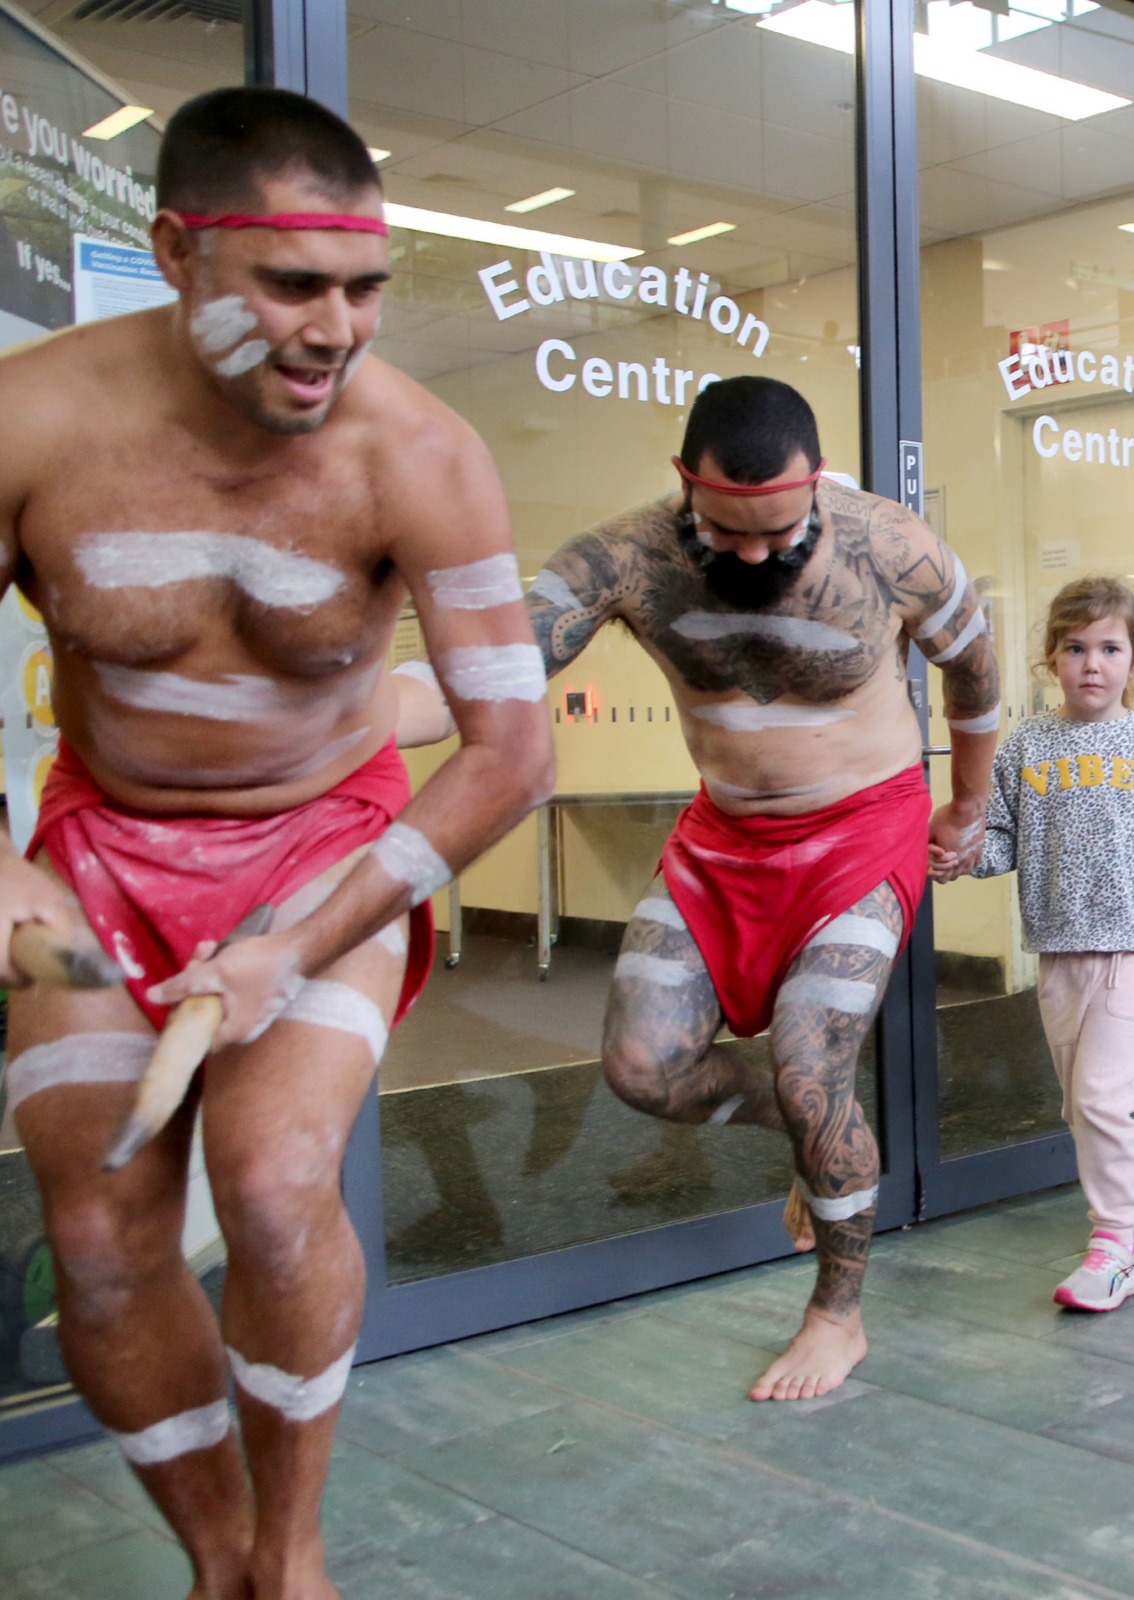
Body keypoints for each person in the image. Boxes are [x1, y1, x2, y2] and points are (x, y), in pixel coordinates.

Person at [0, 87, 553, 1600]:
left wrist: (286, 950)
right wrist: (16, 902)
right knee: (103, 1238)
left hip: (331, 851)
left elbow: (512, 750)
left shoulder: (420, 455)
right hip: (91, 860)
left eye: (366, 287)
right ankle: (220, 1560)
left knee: (267, 1181)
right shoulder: (27, 419)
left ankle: (294, 1552)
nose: (336, 330)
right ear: (179, 252)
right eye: (292, 286)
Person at [524, 374, 998, 1399]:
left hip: (860, 834)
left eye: (775, 531)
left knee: (810, 1066)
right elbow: (491, 670)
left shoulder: (892, 547)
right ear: (683, 484)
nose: (750, 553)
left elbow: (976, 674)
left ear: (815, 486)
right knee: (642, 1067)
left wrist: (965, 804)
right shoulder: (623, 560)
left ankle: (838, 1312)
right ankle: (815, 1135)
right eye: (725, 530)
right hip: (723, 842)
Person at [974, 576, 1134, 1311]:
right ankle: (1129, 1188)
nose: (1092, 663)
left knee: (1101, 1097)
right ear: (1051, 659)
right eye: (1075, 648)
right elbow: (998, 841)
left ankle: (1117, 1246)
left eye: (1109, 648)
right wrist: (953, 854)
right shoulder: (1025, 746)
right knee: (1080, 1105)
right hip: (1059, 948)